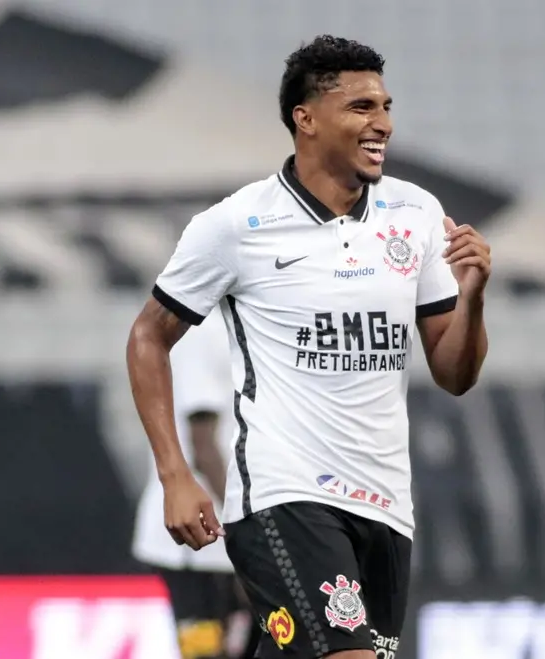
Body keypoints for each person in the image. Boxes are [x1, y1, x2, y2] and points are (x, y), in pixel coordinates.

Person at [126, 34, 490, 659]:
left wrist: (473, 294)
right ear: (307, 118)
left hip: (384, 503)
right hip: (284, 495)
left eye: (386, 106)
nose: (383, 124)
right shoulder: (238, 224)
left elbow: (455, 374)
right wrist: (175, 474)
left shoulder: (416, 214)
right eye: (361, 107)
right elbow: (147, 336)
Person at [131, 310, 261, 658]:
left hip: (225, 538)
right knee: (207, 650)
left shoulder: (242, 325)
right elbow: (204, 447)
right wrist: (249, 526)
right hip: (199, 540)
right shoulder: (203, 330)